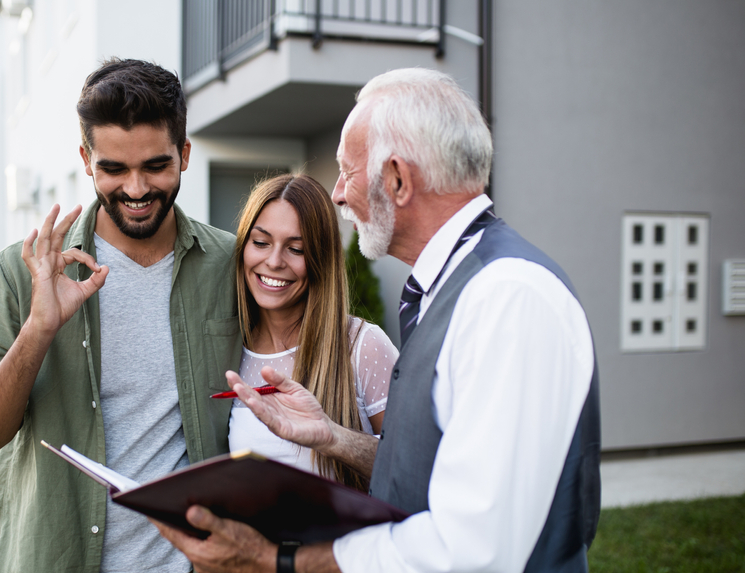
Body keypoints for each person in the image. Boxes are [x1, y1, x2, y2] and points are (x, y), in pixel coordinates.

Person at [154, 67, 600, 573]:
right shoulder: (454, 292)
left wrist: (278, 561)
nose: (339, 194)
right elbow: (432, 477)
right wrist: (330, 436)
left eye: (347, 171)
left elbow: (470, 547)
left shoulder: (506, 297)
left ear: (396, 179)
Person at [0, 58, 241, 573]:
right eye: (113, 169)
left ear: (185, 155)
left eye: (155, 166)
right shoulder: (19, 273)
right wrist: (40, 328)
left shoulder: (230, 265)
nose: (135, 189)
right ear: (86, 160)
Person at [227, 174, 398, 490]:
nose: (274, 261)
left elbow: (416, 470)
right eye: (261, 243)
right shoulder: (229, 347)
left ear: (320, 258)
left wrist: (336, 439)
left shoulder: (362, 345)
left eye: (296, 249)